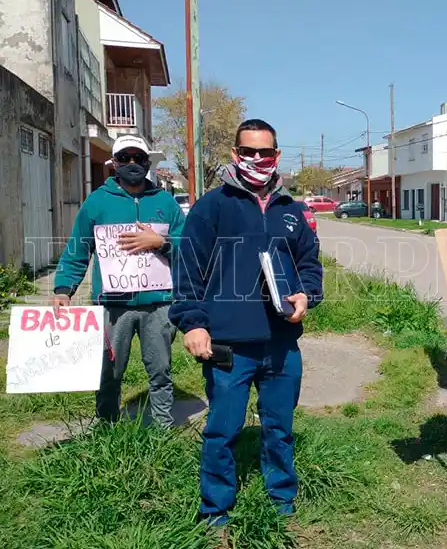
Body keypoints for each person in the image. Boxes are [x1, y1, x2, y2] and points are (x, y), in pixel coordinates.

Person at [169, 119, 323, 526]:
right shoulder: (212, 206)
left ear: (277, 156)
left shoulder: (293, 210)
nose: (257, 159)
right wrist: (194, 323)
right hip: (229, 346)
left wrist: (307, 294)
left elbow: (310, 265)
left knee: (280, 427)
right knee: (223, 429)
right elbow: (188, 271)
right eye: (248, 152)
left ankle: (281, 501)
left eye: (265, 153)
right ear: (235, 154)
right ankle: (215, 510)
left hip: (281, 343)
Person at [52, 134, 185, 427]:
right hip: (112, 306)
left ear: (148, 162)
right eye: (125, 158)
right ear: (114, 164)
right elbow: (78, 248)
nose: (133, 163)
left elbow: (188, 245)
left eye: (139, 158)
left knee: (161, 370)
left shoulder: (166, 202)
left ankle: (163, 428)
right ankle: (107, 425)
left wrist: (161, 241)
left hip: (159, 304)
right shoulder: (96, 203)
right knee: (109, 370)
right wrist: (64, 289)